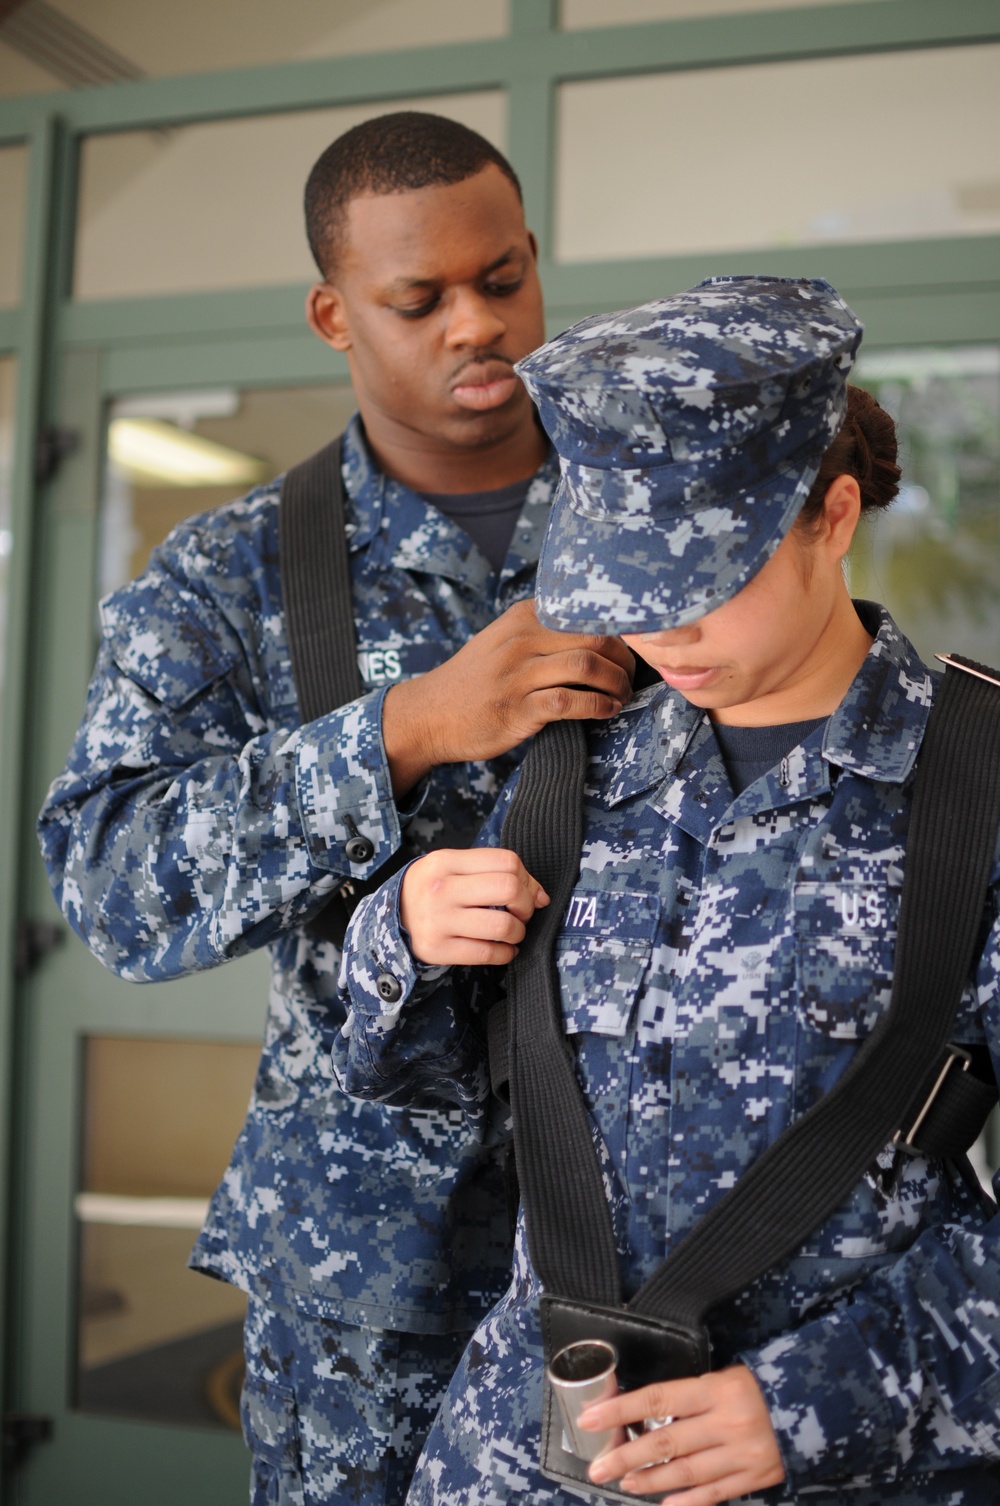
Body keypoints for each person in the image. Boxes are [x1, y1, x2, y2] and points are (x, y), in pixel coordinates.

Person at [36, 112, 633, 1506]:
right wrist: (406, 729)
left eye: (503, 278)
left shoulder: (659, 525)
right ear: (332, 312)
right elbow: (111, 880)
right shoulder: (229, 574)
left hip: (644, 1224)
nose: (477, 326)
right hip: (368, 1276)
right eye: (418, 300)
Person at [331, 275, 1000, 1504]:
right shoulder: (568, 766)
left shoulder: (973, 786)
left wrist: (819, 1403)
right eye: (628, 587)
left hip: (834, 1468)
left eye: (701, 578)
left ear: (832, 514)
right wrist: (401, 935)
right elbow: (411, 1087)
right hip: (523, 1457)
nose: (662, 631)